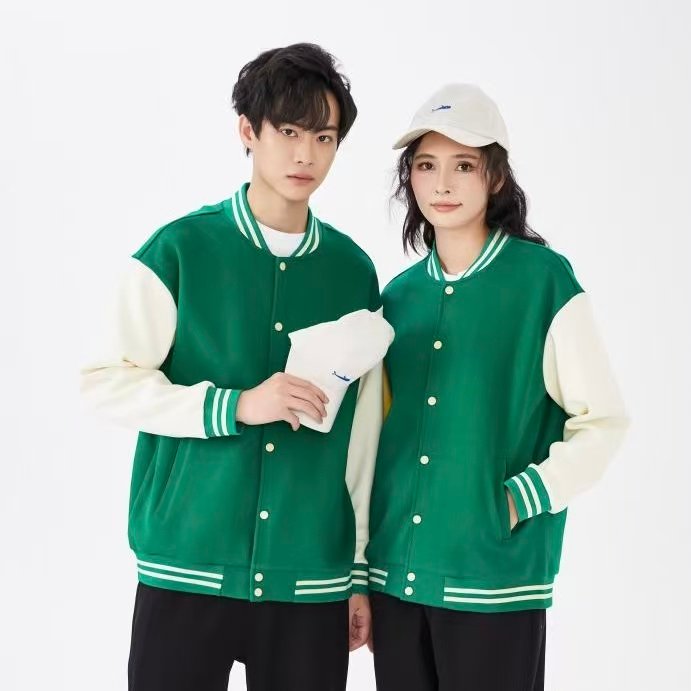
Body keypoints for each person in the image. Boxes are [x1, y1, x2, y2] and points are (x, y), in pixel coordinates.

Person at [80, 43, 384, 691]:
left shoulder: (353, 272)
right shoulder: (179, 250)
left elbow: (363, 436)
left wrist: (357, 570)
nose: (306, 155)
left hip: (310, 574)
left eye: (324, 137)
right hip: (187, 563)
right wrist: (235, 404)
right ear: (248, 131)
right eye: (289, 132)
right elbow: (105, 382)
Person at [365, 83, 629, 691]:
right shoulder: (398, 297)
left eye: (463, 165)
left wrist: (519, 499)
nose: (442, 184)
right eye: (426, 166)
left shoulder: (544, 281)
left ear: (497, 177)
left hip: (494, 578)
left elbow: (603, 420)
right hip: (395, 577)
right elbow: (376, 437)